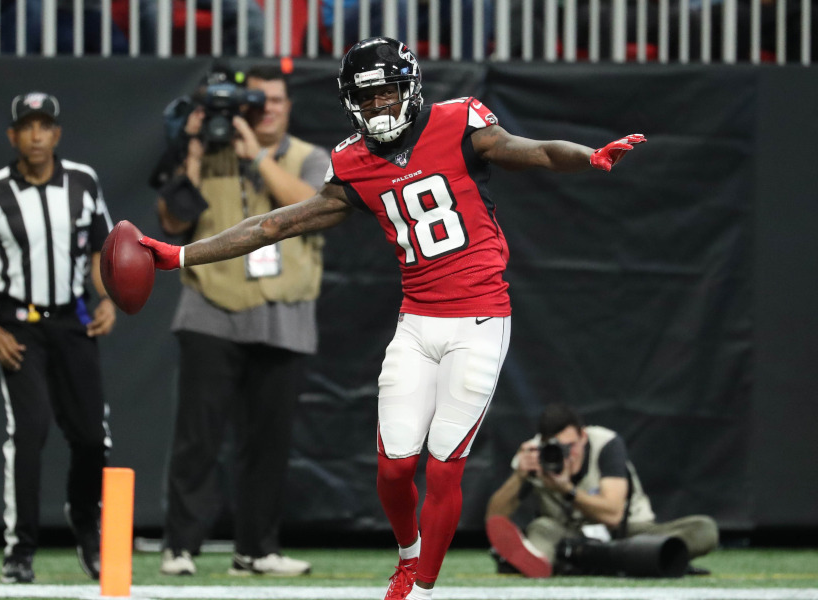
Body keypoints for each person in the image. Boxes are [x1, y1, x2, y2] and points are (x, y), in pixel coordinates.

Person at [137, 36, 644, 600]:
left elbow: (538, 150)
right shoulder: (353, 161)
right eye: (367, 97)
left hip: (478, 321)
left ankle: (420, 588)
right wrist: (180, 254)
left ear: (411, 86)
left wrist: (590, 156)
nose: (379, 106)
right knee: (394, 468)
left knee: (445, 469)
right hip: (416, 321)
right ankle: (407, 557)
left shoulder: (459, 122)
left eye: (386, 93)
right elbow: (272, 225)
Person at [152, 64, 329, 577]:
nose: (267, 108)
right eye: (258, 100)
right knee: (197, 439)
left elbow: (314, 206)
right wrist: (192, 151)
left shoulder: (311, 157)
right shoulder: (209, 151)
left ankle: (256, 550)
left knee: (268, 445)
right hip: (212, 308)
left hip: (284, 313)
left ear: (288, 106)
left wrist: (259, 156)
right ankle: (179, 547)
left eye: (276, 100)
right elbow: (173, 222)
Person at [0, 91, 116, 584]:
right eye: (27, 126)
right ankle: (20, 548)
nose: (37, 135)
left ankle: (87, 525)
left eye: (45, 126)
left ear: (57, 134)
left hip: (72, 319)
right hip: (18, 324)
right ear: (13, 136)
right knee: (29, 432)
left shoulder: (83, 182)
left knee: (92, 436)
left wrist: (107, 296)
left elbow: (101, 251)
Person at [485, 403, 719, 578]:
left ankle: (567, 562)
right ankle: (643, 562)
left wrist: (567, 490)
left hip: (627, 534)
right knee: (541, 528)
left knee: (704, 529)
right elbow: (495, 518)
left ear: (583, 436)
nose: (566, 455)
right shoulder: (536, 455)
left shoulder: (605, 444)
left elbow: (613, 514)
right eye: (557, 448)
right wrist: (519, 475)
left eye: (570, 447)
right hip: (567, 535)